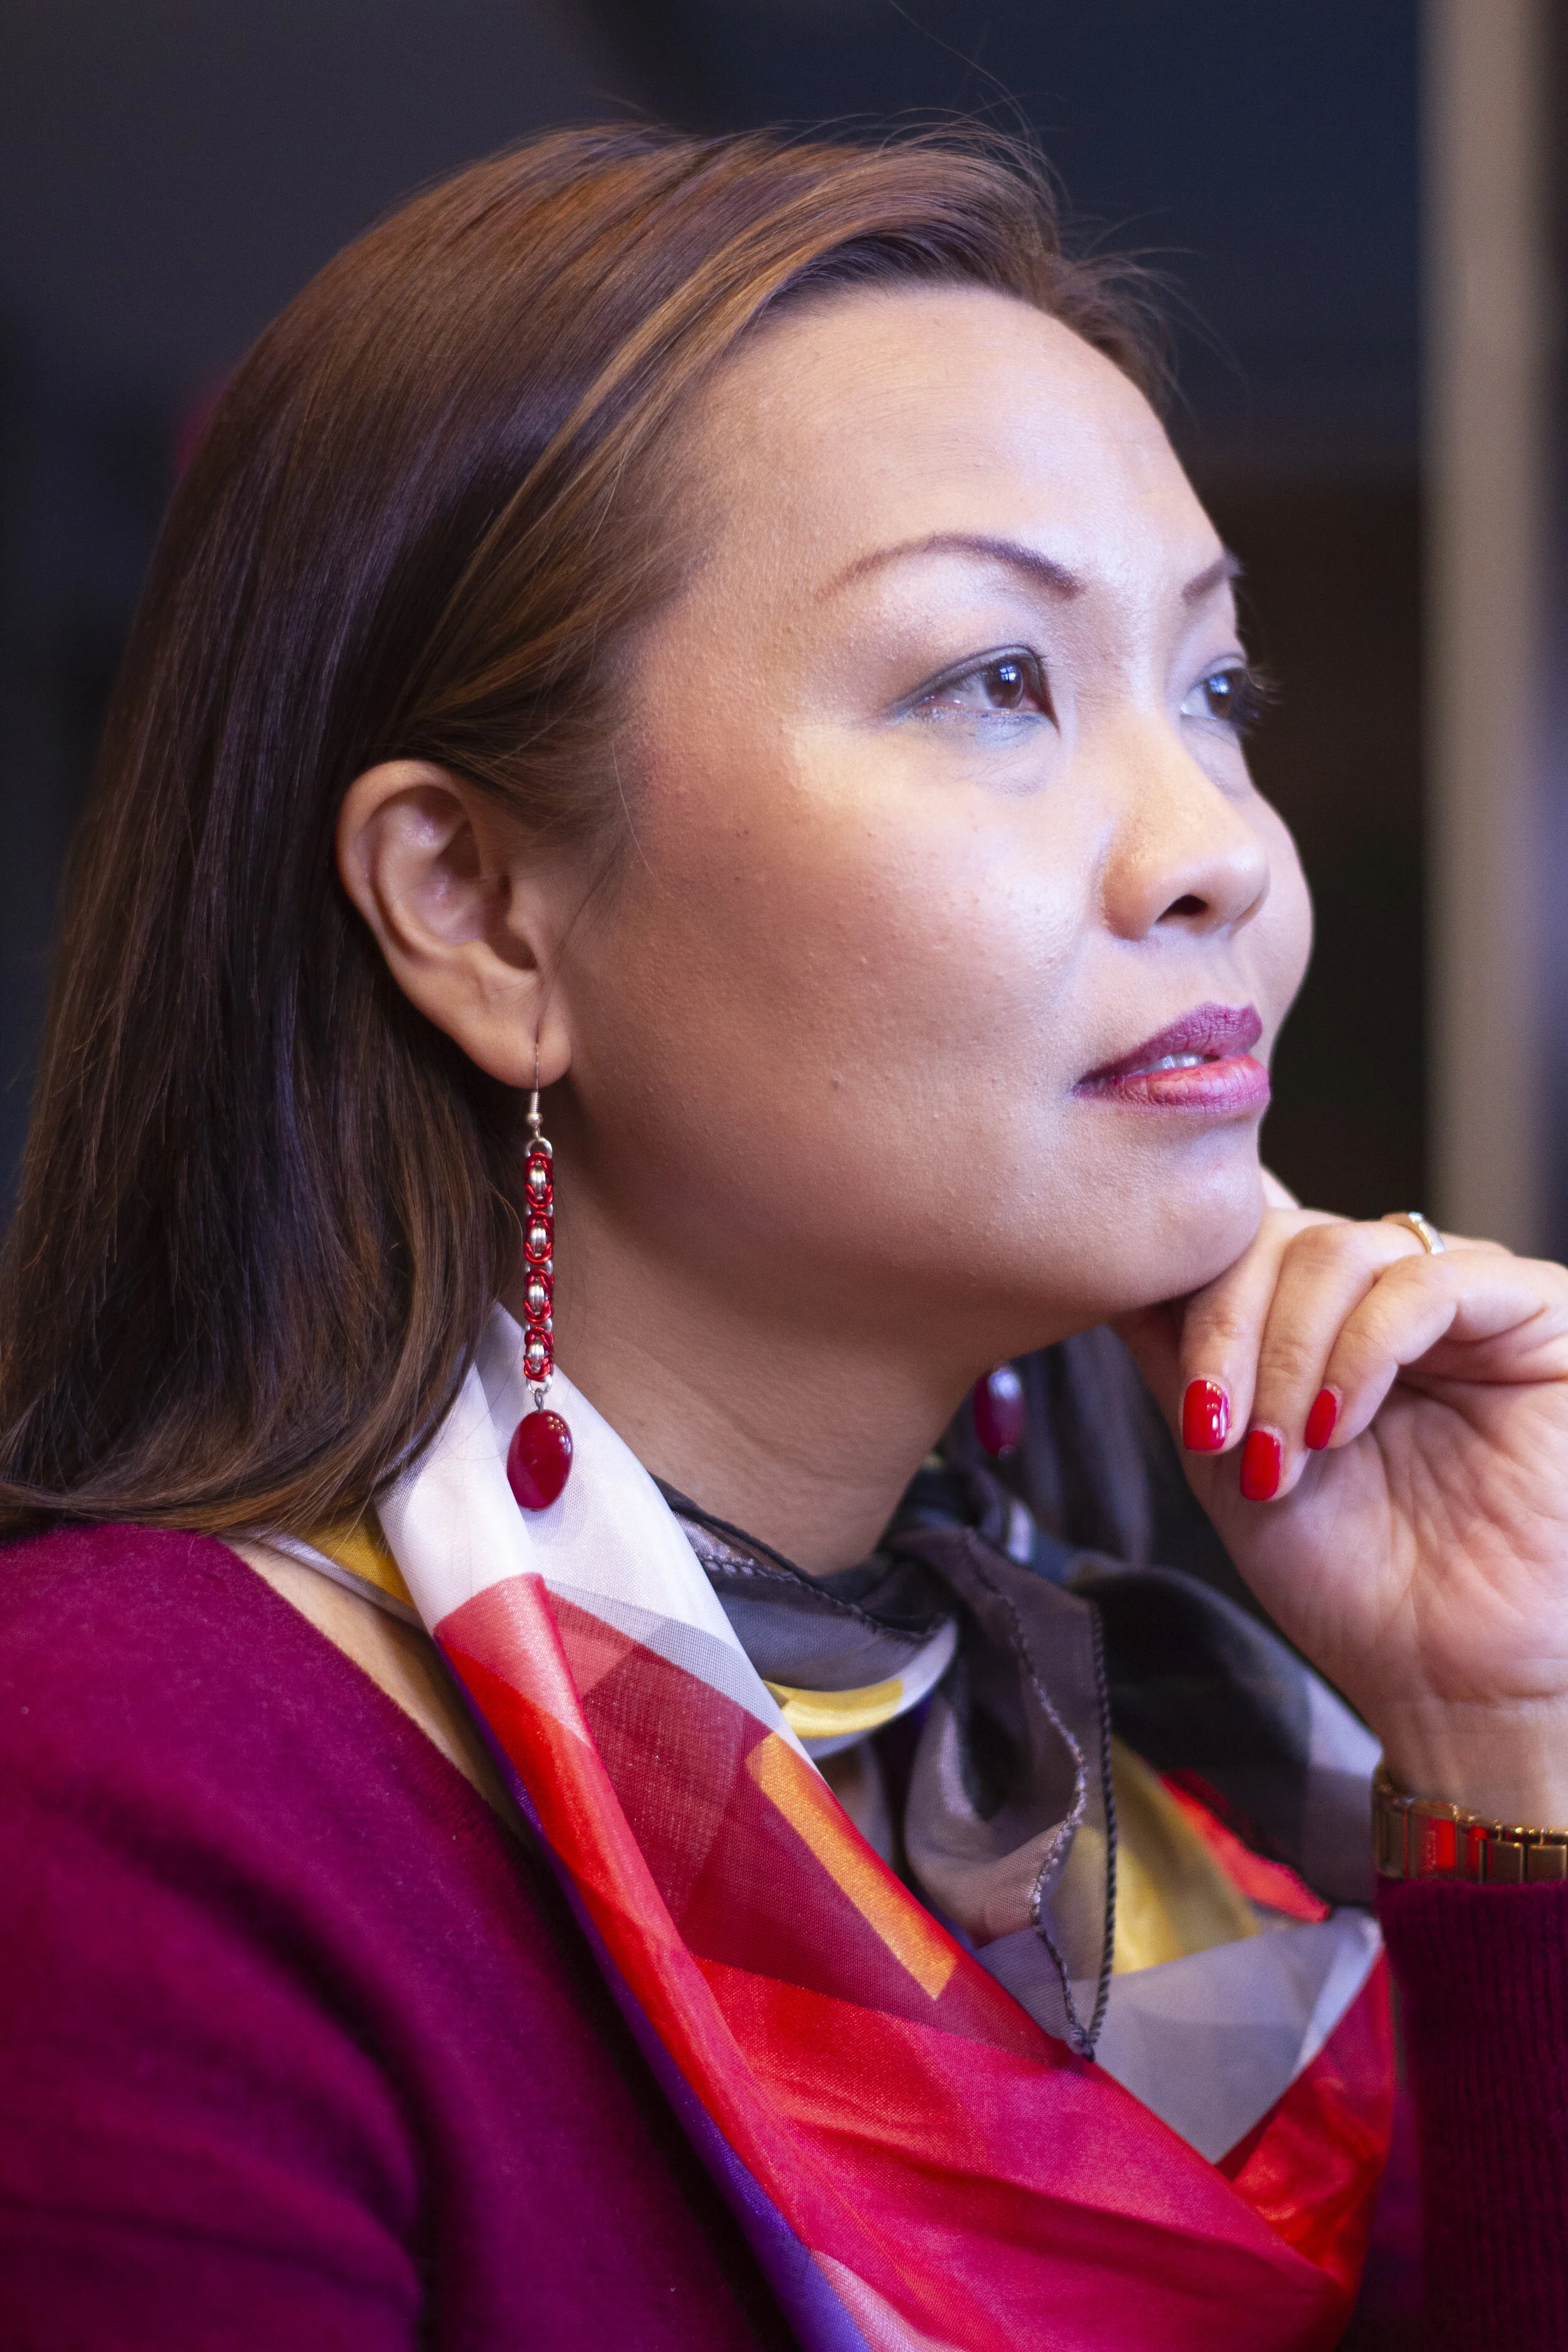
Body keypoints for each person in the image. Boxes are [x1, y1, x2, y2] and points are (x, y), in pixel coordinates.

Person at [0, 124, 1563, 2352]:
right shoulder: (128, 1782)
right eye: (991, 681)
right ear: (477, 905)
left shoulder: (1162, 1800)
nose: (1214, 848)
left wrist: (1510, 1750)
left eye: (1215, 690)